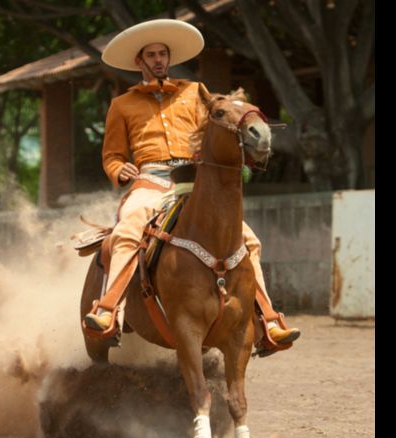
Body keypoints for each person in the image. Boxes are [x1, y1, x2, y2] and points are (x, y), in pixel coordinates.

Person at [84, 19, 300, 350]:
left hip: (196, 182)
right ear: (139, 62)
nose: (158, 60)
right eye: (151, 55)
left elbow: (216, 128)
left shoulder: (194, 93)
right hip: (149, 183)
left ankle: (268, 320)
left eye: (163, 54)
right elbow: (111, 155)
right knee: (126, 231)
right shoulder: (121, 105)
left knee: (249, 239)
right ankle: (110, 309)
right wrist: (118, 169)